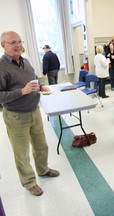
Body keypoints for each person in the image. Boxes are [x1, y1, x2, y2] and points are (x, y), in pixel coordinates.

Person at [0, 31, 60, 197]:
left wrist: (41, 88)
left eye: (19, 41)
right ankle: (29, 182)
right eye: (13, 42)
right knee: (22, 153)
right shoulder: (2, 67)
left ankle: (43, 169)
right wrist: (22, 91)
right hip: (16, 117)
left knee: (41, 145)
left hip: (34, 111)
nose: (18, 45)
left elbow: (33, 81)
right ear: (3, 45)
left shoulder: (25, 62)